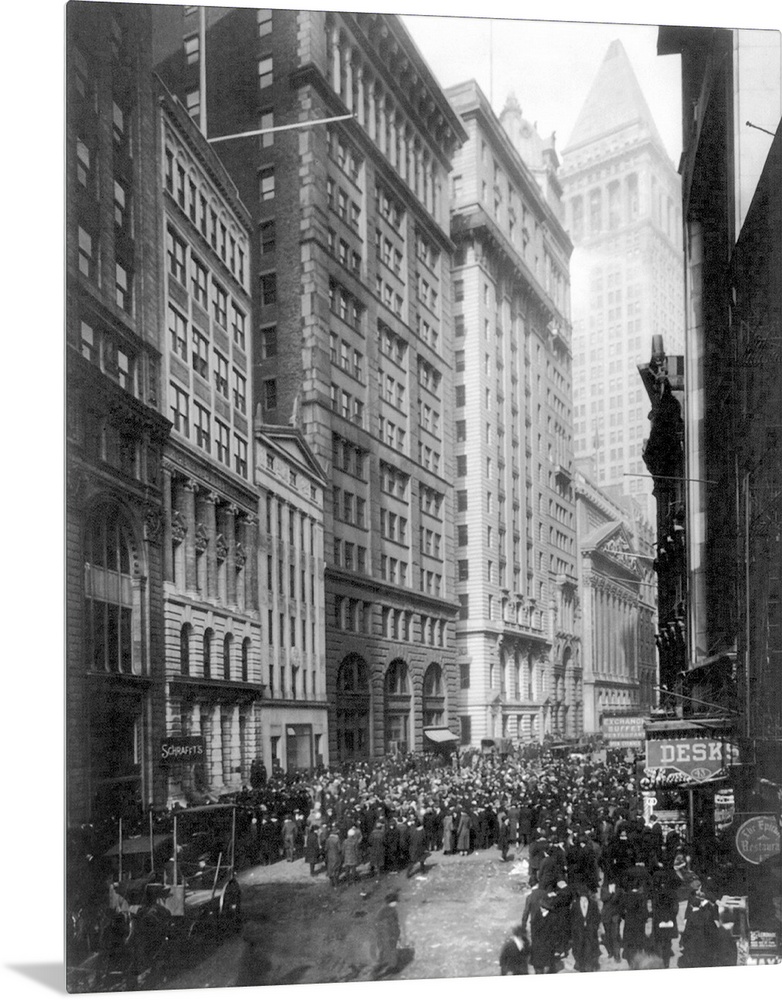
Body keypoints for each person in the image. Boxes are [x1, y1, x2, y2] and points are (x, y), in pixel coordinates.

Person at [570, 889, 601, 972]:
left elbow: (597, 916)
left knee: (589, 947)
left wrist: (594, 926)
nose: (583, 898)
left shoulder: (593, 904)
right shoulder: (575, 904)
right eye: (582, 896)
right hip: (579, 930)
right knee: (579, 947)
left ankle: (589, 966)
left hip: (590, 930)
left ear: (588, 895)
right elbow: (572, 917)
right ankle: (580, 964)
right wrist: (575, 928)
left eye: (585, 895)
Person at [374, 891, 402, 978]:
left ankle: (380, 965)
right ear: (391, 902)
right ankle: (392, 967)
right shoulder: (389, 912)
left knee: (383, 950)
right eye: (395, 901)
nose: (396, 903)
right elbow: (392, 925)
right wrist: (394, 935)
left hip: (384, 935)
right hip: (388, 935)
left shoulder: (384, 911)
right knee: (391, 950)